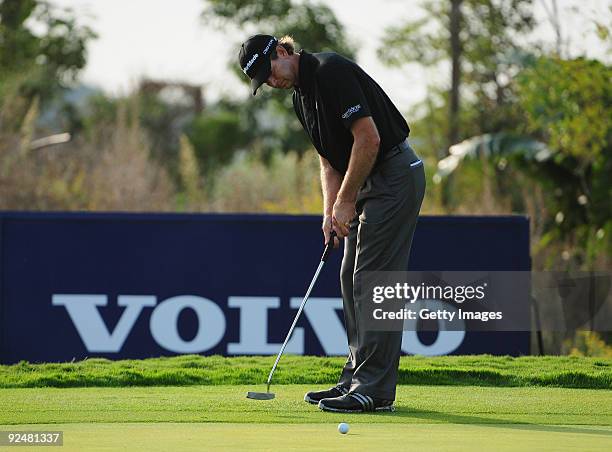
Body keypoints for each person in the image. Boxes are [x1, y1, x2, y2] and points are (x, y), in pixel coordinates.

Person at [238, 34, 426, 413]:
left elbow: (368, 139)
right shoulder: (301, 97)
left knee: (373, 281)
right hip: (367, 179)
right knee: (348, 276)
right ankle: (356, 377)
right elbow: (328, 161)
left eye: (269, 71)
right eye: (263, 79)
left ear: (281, 51)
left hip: (393, 174)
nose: (271, 82)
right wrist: (330, 211)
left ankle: (373, 390)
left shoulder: (330, 71)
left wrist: (346, 200)